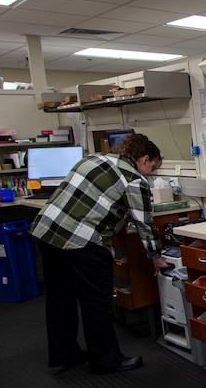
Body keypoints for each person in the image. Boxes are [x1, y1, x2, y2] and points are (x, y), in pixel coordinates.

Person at [31, 133, 169, 375]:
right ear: (144, 158)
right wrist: (156, 257)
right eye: (152, 167)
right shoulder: (133, 180)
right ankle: (106, 360)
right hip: (80, 242)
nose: (150, 173)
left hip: (47, 232)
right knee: (97, 302)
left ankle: (65, 353)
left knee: (60, 298)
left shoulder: (94, 159)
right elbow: (144, 224)